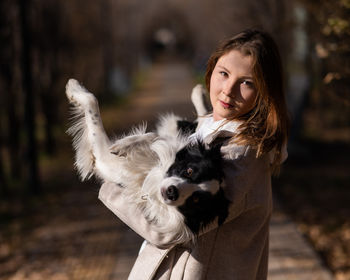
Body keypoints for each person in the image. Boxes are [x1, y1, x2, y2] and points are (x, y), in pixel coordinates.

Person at [98, 29, 289, 280]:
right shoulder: (210, 128)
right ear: (211, 70)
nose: (228, 90)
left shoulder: (242, 156)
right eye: (224, 74)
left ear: (265, 93)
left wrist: (111, 184)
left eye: (247, 83)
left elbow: (167, 229)